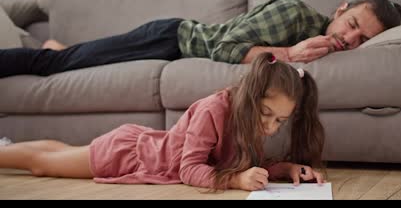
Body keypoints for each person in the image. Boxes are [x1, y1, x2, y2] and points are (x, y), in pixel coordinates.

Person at [0, 52, 325, 191]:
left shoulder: (247, 118)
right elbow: (189, 169)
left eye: (280, 121)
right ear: (252, 96)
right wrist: (236, 182)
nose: (270, 127)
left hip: (142, 143)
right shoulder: (214, 109)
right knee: (42, 164)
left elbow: (234, 159)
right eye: (266, 115)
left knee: (59, 152)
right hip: (128, 154)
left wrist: (283, 169)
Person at [0, 0, 401, 78]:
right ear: (340, 9)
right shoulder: (294, 14)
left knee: (77, 56)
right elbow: (225, 48)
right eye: (351, 25)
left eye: (361, 40)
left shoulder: (336, 47)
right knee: (53, 66)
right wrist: (289, 53)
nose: (350, 40)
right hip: (169, 38)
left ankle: (63, 46)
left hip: (172, 50)